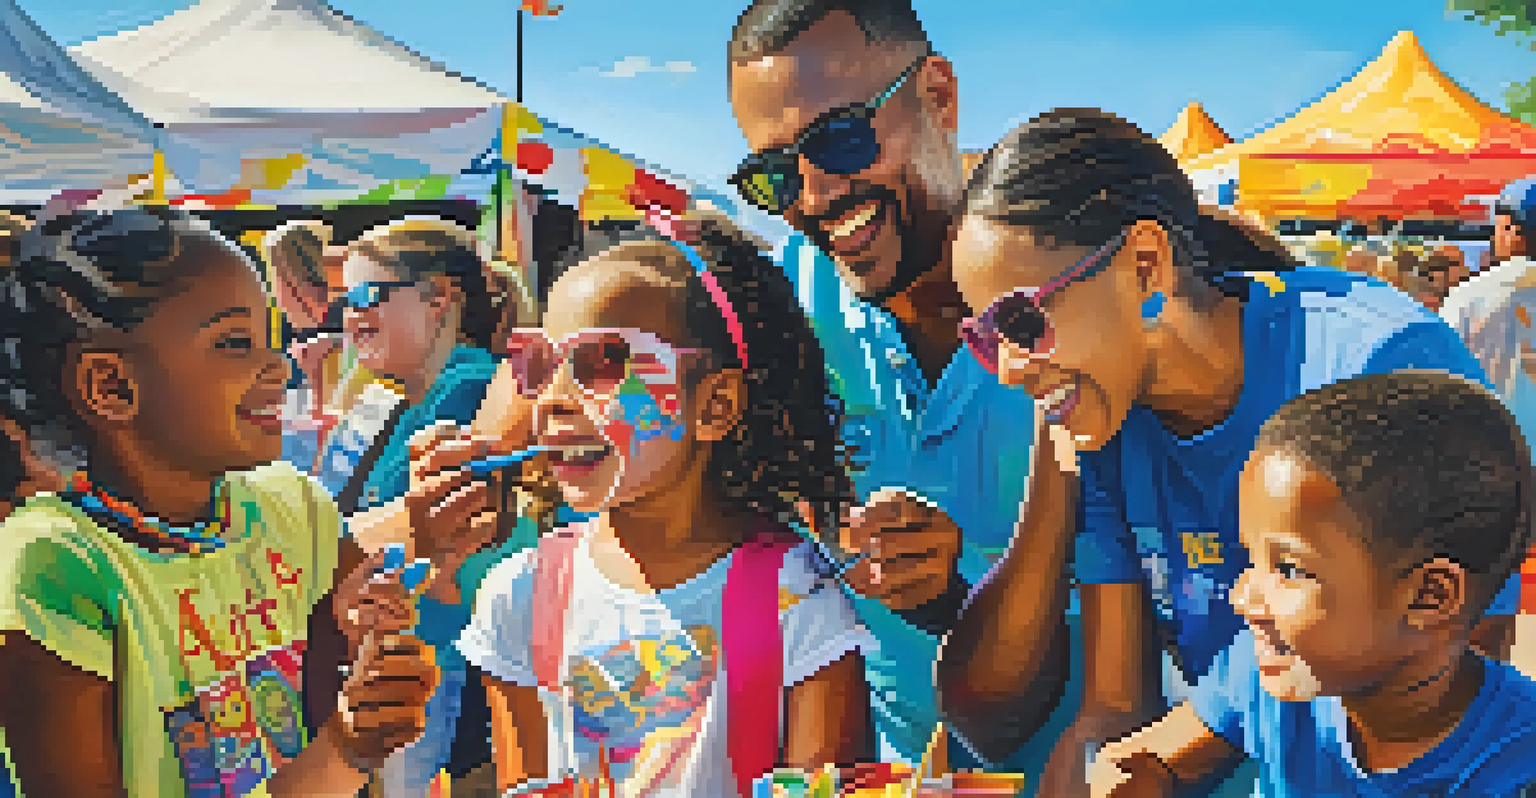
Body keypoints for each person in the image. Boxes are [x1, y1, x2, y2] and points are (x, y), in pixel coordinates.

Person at [938, 110, 1520, 796]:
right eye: (982, 335)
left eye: (1021, 322)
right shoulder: (1103, 424)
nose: (1004, 369)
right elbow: (1117, 711)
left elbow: (1453, 676)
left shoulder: (1377, 367)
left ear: (1146, 266)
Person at [0, 208, 439, 797]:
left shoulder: (294, 507)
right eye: (235, 343)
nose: (278, 366)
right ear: (110, 385)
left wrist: (367, 650)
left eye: (270, 338)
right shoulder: (53, 563)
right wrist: (346, 747)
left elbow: (334, 702)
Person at [457, 213, 871, 795]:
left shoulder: (797, 597)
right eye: (538, 364)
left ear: (716, 404)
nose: (551, 399)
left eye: (601, 361)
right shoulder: (519, 595)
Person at [726, 0, 1041, 767]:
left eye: (840, 138)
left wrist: (962, 588)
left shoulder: (1070, 281)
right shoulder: (787, 305)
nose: (814, 193)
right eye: (773, 174)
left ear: (938, 95)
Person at [1090, 371, 1536, 797]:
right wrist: (1130, 775)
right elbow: (1152, 761)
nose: (1243, 598)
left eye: (1288, 569)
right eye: (1250, 557)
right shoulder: (1268, 671)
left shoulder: (1515, 769)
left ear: (1429, 596)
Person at [329, 217, 524, 796]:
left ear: (439, 298)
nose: (351, 316)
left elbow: (451, 536)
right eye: (344, 301)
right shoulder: (412, 399)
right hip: (414, 655)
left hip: (441, 665)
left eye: (367, 296)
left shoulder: (471, 392)